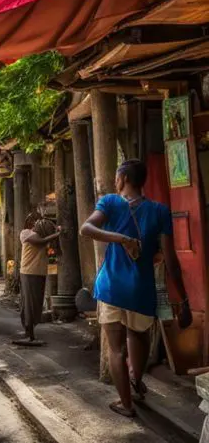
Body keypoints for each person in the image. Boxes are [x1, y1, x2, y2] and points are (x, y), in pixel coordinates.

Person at [80, 159, 192, 418]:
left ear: (123, 178)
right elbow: (171, 260)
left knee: (115, 349)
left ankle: (126, 404)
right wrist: (184, 299)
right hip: (141, 290)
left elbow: (87, 228)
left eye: (118, 177)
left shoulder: (109, 202)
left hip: (111, 289)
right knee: (139, 337)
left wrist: (119, 238)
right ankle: (135, 381)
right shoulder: (159, 211)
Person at [16, 218, 60, 346]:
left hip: (39, 273)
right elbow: (39, 242)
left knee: (36, 304)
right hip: (28, 273)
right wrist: (56, 234)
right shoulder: (26, 233)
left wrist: (55, 233)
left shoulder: (46, 237)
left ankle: (30, 333)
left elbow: (55, 251)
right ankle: (29, 334)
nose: (37, 225)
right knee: (29, 303)